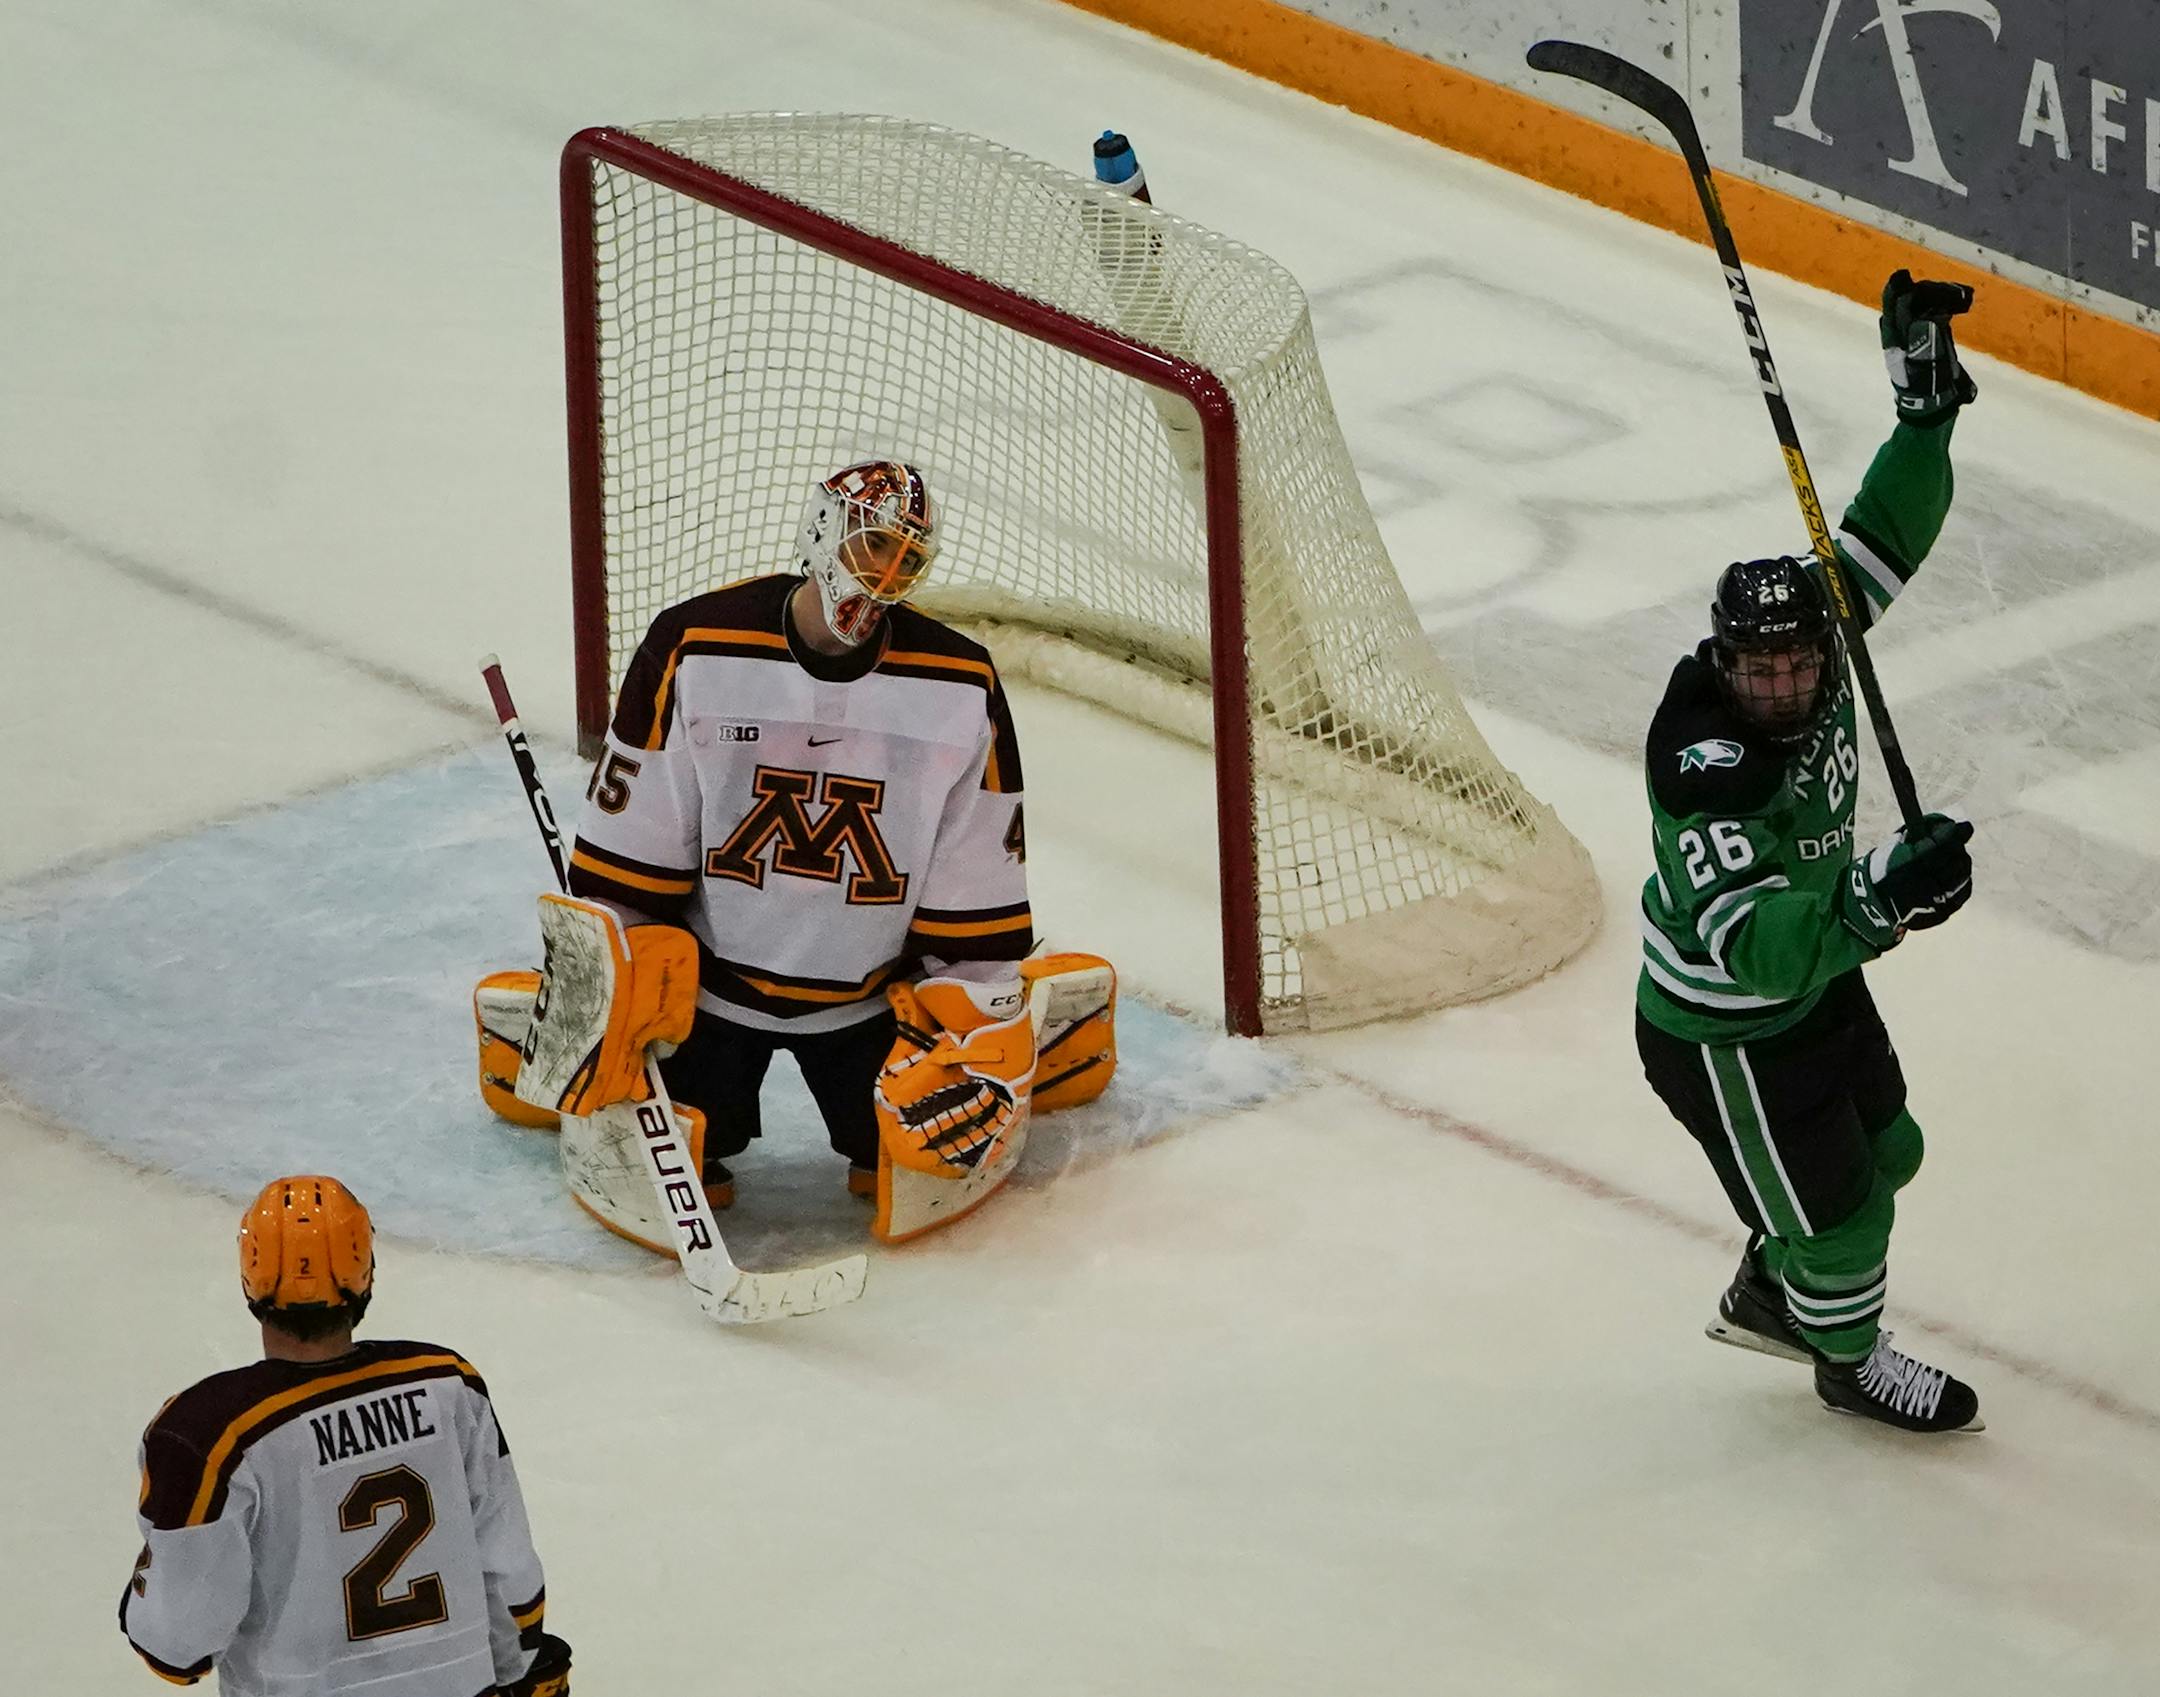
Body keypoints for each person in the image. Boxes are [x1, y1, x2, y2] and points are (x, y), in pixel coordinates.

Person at [1634, 272, 1985, 1434]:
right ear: (1722, 660)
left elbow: (1891, 526)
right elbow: (1763, 951)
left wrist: (1922, 417)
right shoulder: (1703, 764)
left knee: (1896, 1149)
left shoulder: (1823, 641)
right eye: (1758, 670)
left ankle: (1773, 1266)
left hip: (1824, 975)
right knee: (1848, 1227)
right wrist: (1880, 893)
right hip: (1731, 1027)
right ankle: (1843, 1357)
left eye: (1796, 664)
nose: (1781, 684)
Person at [514, 460, 1039, 1233]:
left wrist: (984, 1029)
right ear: (823, 530)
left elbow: (974, 891)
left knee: (906, 1155)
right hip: (709, 998)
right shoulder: (695, 645)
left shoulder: (960, 682)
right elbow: (627, 861)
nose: (886, 575)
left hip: (869, 1002)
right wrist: (599, 993)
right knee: (683, 1144)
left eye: (908, 561)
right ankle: (538, 1023)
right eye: (872, 547)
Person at [120, 1176, 571, 1695]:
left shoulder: (206, 1433)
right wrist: (515, 1668)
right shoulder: (446, 1384)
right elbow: (510, 1573)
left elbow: (178, 1647)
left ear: (250, 1275)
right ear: (365, 1274)